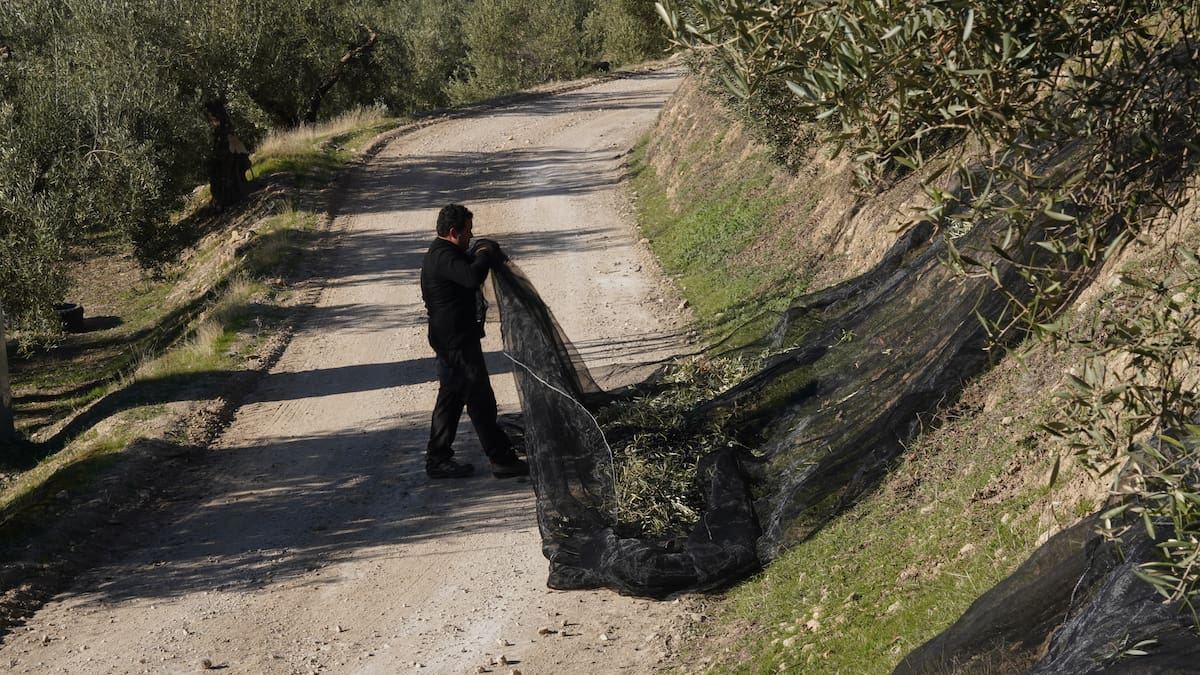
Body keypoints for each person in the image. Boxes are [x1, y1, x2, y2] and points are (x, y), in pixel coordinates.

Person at [420, 203, 529, 479]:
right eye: (468, 232)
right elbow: (471, 277)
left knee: (451, 397)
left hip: (451, 339)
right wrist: (484, 252)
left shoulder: (446, 253)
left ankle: (438, 458)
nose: (471, 236)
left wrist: (478, 251)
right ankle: (501, 459)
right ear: (453, 232)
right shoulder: (443, 257)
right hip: (455, 342)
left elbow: (467, 267)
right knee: (480, 399)